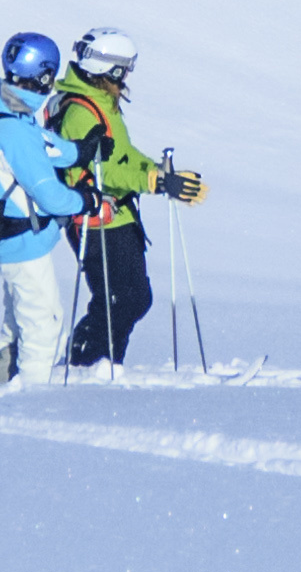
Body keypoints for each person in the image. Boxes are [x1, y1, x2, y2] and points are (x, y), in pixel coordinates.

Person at [52, 29, 204, 368]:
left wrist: (158, 172)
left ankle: (106, 364)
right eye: (124, 69)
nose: (127, 77)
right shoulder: (81, 112)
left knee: (132, 298)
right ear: (111, 69)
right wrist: (152, 181)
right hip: (95, 220)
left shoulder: (101, 102)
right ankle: (84, 363)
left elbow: (122, 154)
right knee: (122, 300)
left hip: (119, 217)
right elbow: (101, 172)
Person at [0, 33, 94, 384]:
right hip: (20, 242)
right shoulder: (14, 130)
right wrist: (85, 201)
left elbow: (42, 143)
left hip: (6, 235)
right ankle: (30, 399)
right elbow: (50, 195)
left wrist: (77, 152)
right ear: (42, 75)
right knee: (45, 323)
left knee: (17, 323)